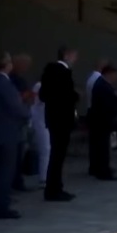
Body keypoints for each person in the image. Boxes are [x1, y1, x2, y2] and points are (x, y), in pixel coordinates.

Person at [0, 53, 30, 219]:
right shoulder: (4, 83)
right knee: (4, 171)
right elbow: (15, 106)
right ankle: (1, 206)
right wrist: (26, 114)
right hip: (7, 131)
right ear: (5, 65)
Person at [38, 45, 78, 202]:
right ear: (66, 55)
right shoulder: (63, 73)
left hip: (53, 118)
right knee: (58, 156)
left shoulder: (48, 72)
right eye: (73, 56)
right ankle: (54, 189)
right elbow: (66, 96)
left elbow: (43, 95)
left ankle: (54, 187)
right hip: (61, 119)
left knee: (56, 155)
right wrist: (75, 96)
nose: (75, 59)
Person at [87, 65, 117, 180]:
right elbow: (106, 104)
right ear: (109, 74)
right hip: (102, 120)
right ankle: (103, 171)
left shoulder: (103, 85)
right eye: (114, 74)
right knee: (103, 147)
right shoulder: (103, 86)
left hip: (101, 120)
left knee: (100, 146)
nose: (116, 77)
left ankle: (98, 168)